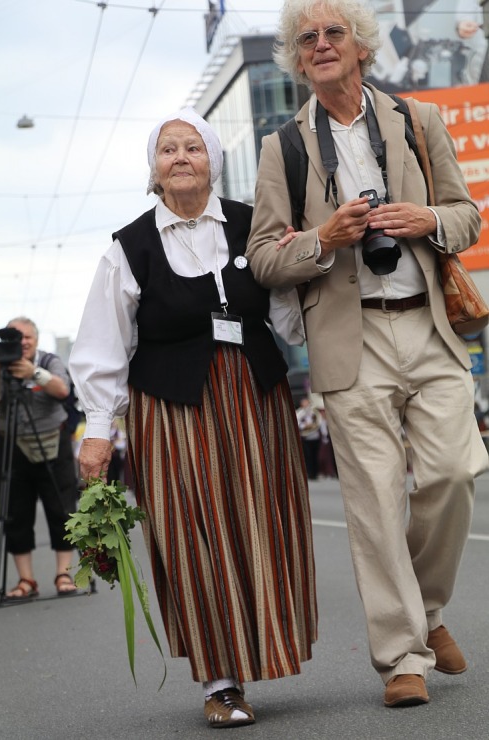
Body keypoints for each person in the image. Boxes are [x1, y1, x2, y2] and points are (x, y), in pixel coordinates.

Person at [246, 0, 488, 709]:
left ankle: (429, 609)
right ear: (296, 59)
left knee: (451, 474)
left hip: (427, 325)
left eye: (333, 33)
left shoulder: (418, 121)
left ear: (361, 47)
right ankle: (399, 656)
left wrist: (424, 220)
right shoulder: (280, 148)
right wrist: (325, 237)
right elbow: (264, 258)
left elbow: (466, 216)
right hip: (347, 341)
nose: (320, 44)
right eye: (306, 38)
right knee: (374, 504)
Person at [68, 107, 317, 729]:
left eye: (192, 148)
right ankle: (220, 681)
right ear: (153, 170)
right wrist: (99, 432)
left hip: (256, 398)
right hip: (172, 408)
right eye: (167, 150)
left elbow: (288, 320)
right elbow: (103, 347)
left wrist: (304, 259)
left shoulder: (252, 224)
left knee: (264, 522)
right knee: (191, 536)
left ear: (213, 160)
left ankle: (269, 646)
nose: (180, 157)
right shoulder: (128, 248)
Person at [0, 317, 78, 598]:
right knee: (15, 514)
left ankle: (63, 575)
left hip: (53, 443)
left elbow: (62, 390)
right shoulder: (0, 364)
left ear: (36, 339)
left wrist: (32, 372)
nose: (22, 343)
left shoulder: (49, 360)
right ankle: (26, 581)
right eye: (15, 338)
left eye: (27, 337)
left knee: (62, 509)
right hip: (12, 446)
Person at [297, 396, 321, 479]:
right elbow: (298, 422)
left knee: (315, 456)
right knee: (308, 456)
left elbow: (318, 421)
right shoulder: (300, 412)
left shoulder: (313, 412)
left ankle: (315, 473)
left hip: (315, 436)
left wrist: (312, 425)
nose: (306, 404)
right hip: (306, 437)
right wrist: (305, 426)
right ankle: (310, 473)